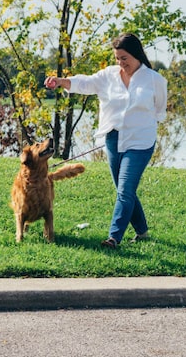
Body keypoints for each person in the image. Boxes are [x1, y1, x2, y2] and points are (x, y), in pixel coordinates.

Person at [44, 33, 167, 249]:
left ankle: (114, 238)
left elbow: (159, 111)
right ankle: (143, 232)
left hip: (140, 142)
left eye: (124, 58)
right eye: (117, 58)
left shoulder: (155, 81)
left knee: (125, 189)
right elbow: (86, 83)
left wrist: (138, 124)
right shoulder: (108, 76)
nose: (121, 63)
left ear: (136, 55)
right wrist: (61, 81)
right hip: (113, 138)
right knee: (123, 189)